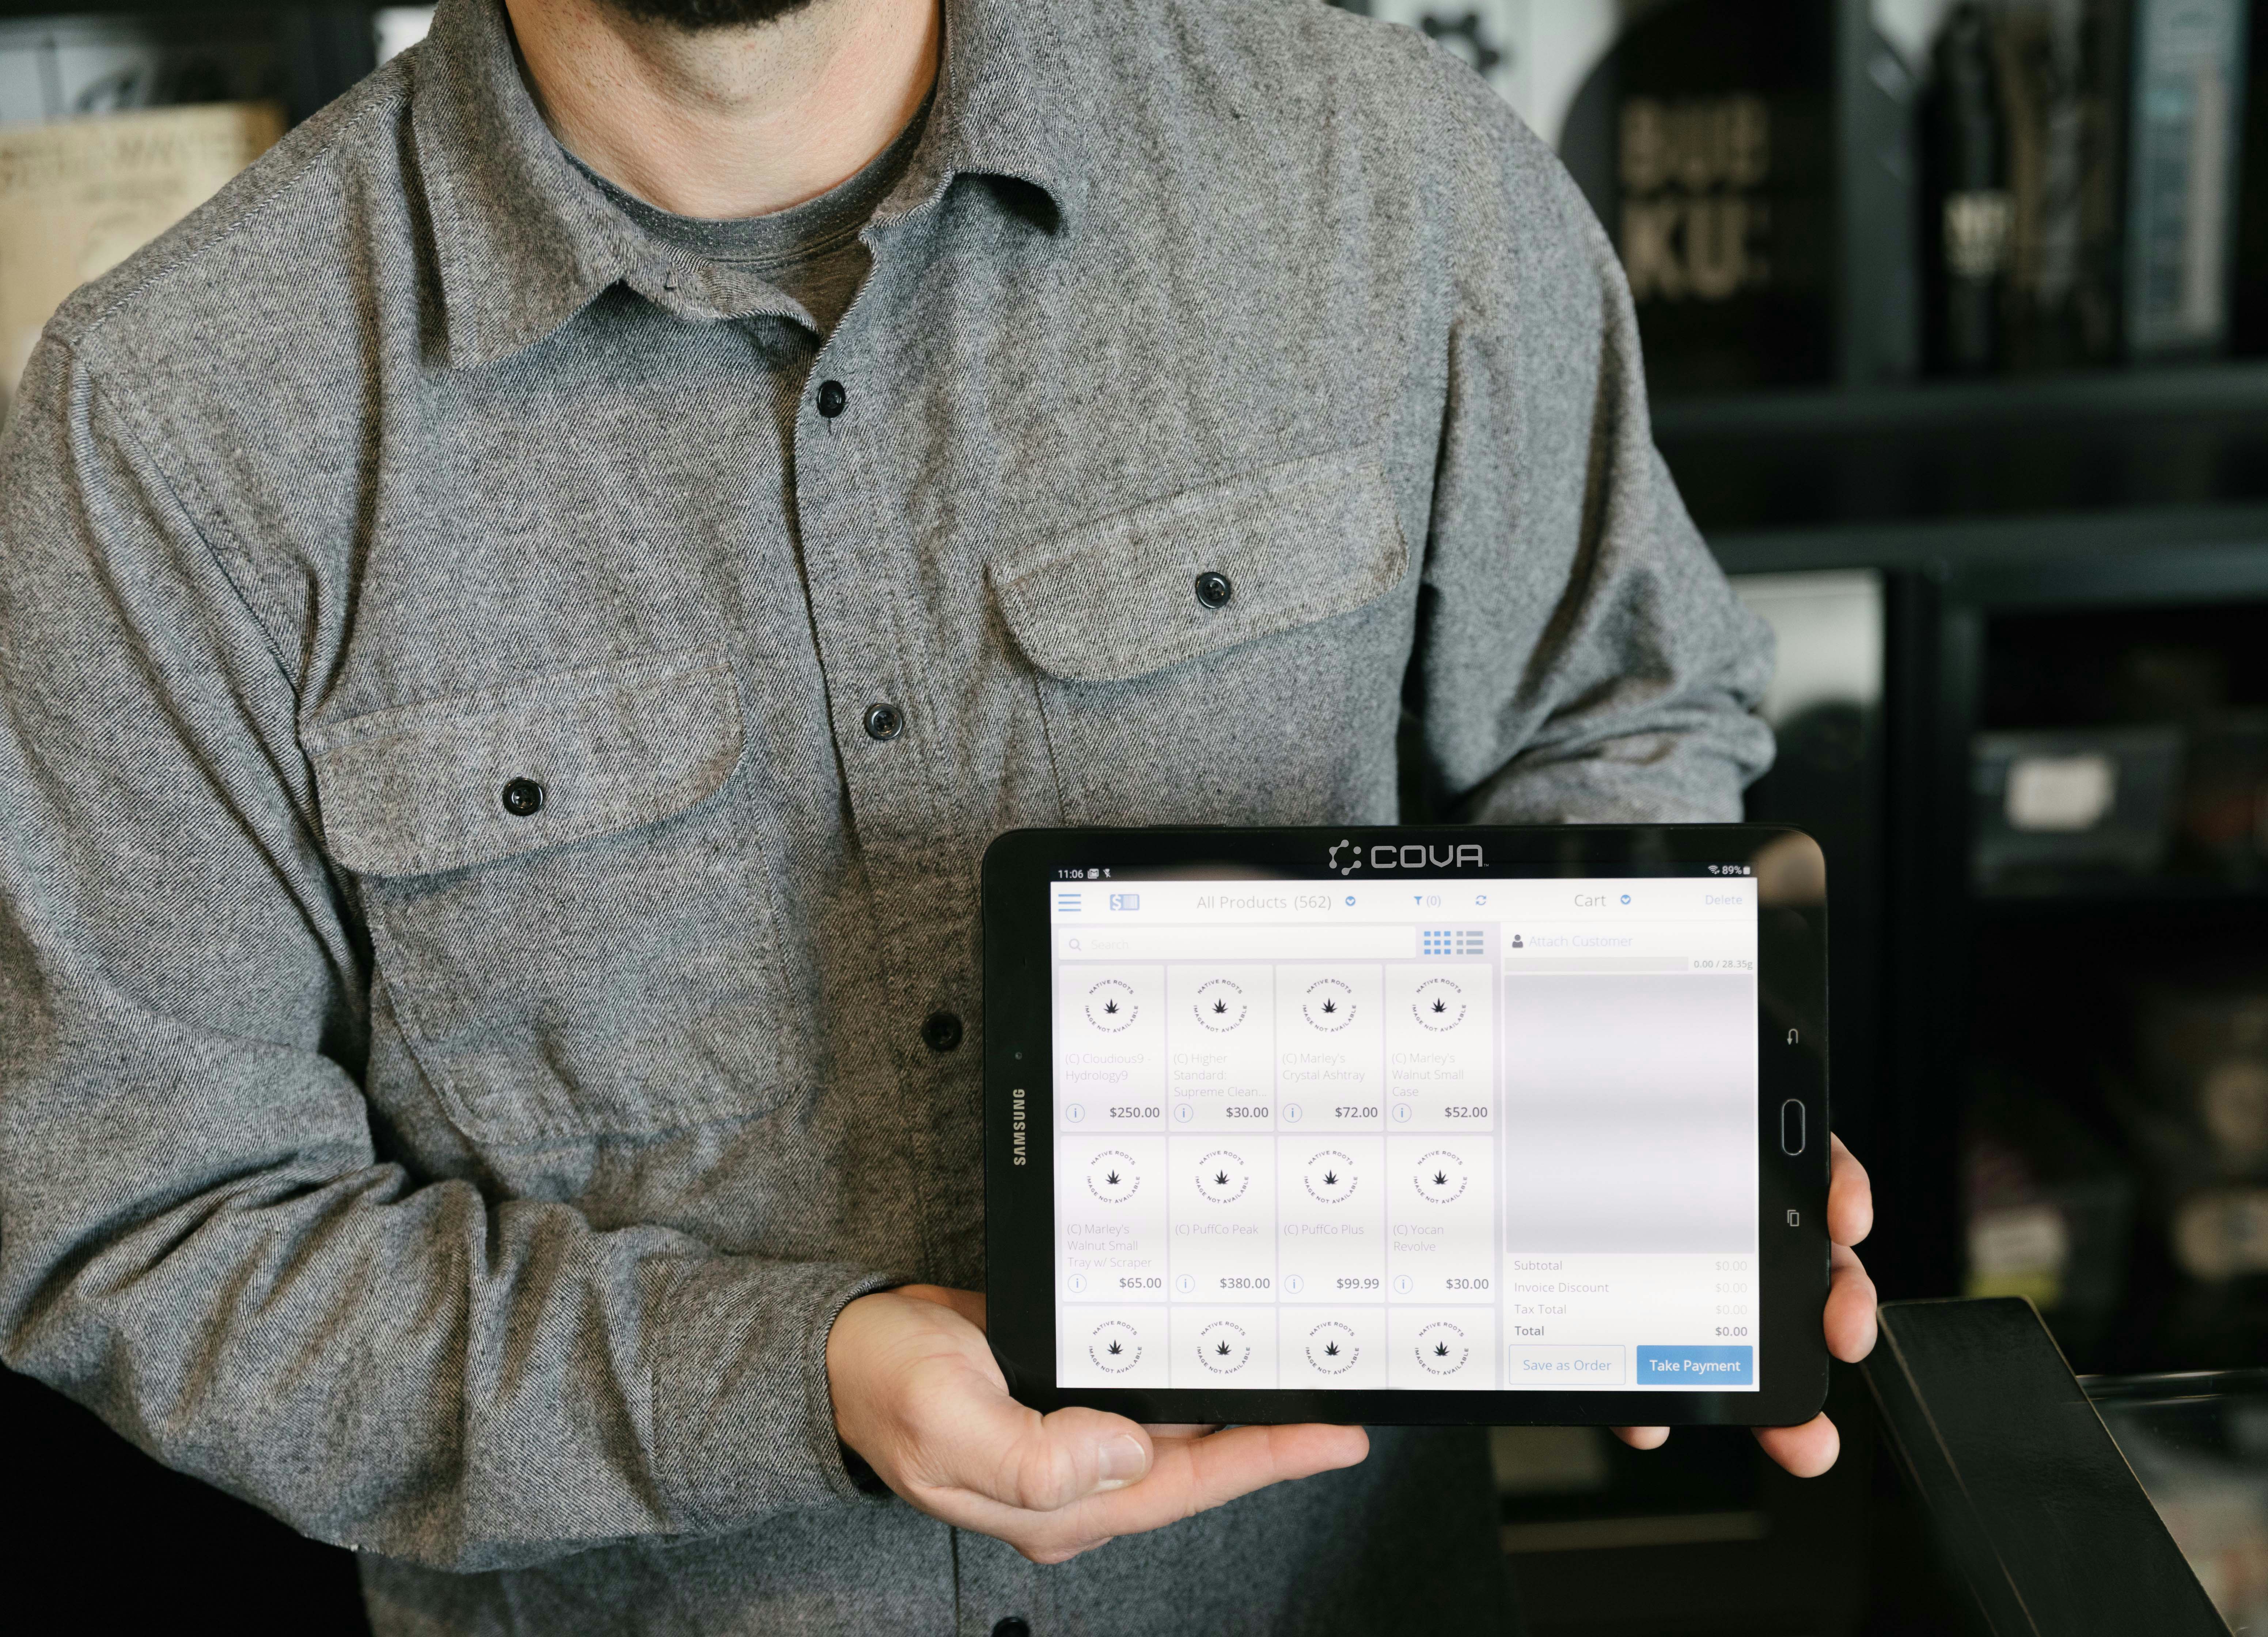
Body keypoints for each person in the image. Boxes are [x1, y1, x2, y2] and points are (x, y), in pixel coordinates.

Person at [0, 0, 1879, 1630]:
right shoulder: (168, 422)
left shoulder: (1379, 175)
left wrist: (1636, 1147)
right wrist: (790, 1381)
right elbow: (151, 1228)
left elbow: (1608, 712)